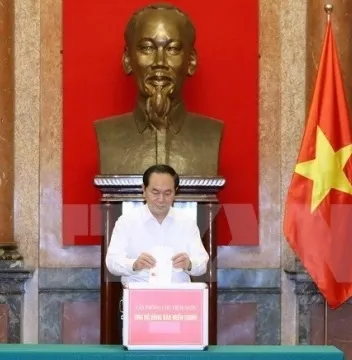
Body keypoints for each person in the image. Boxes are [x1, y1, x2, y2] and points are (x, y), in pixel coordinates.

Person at [94, 3, 223, 176]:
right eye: (147, 48)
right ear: (127, 60)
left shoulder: (210, 134)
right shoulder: (108, 135)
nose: (160, 62)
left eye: (172, 49)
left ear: (191, 61)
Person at [105, 164, 210, 338]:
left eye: (167, 193)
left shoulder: (186, 223)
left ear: (175, 192)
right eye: (155, 192)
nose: (161, 199)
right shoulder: (127, 222)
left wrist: (190, 264)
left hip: (179, 307)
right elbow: (111, 262)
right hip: (139, 306)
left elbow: (203, 263)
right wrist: (134, 264)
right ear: (143, 190)